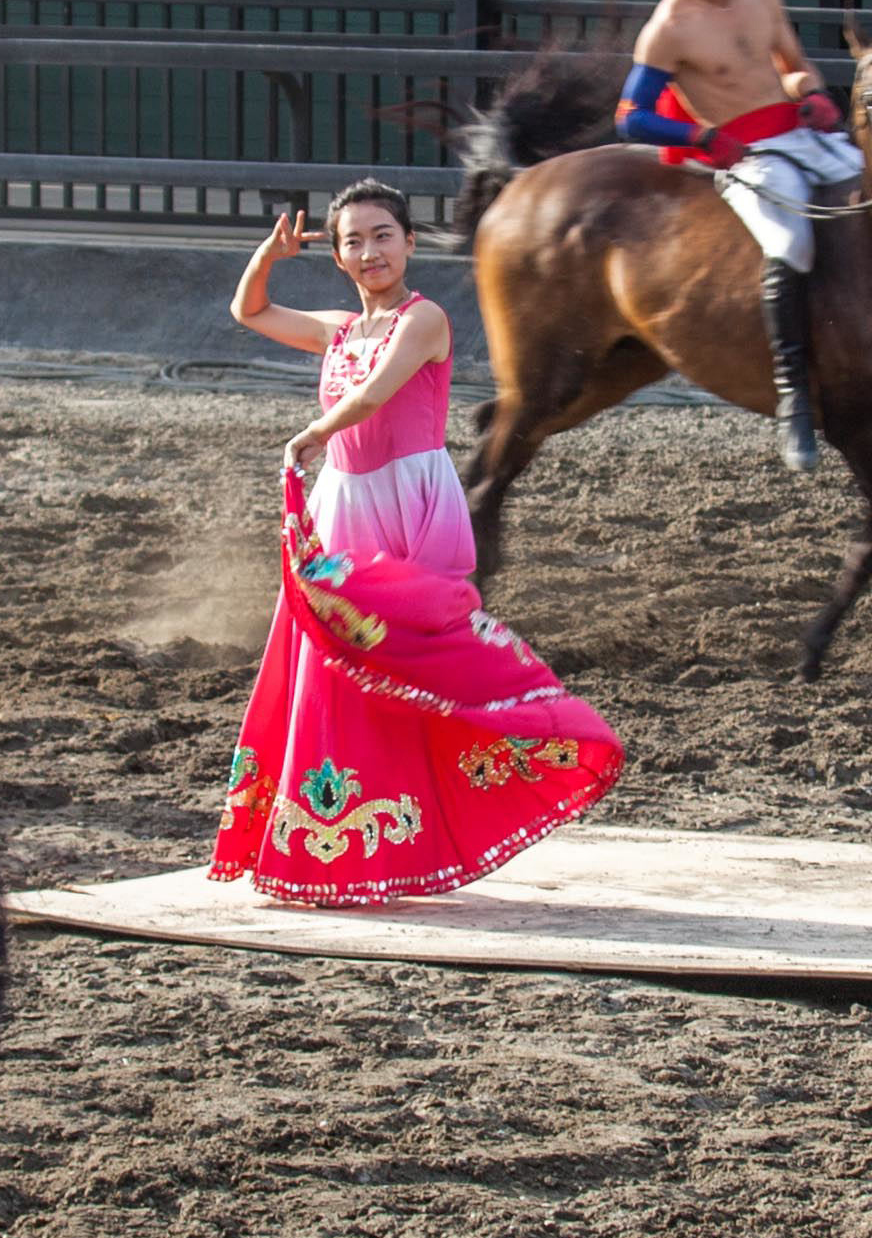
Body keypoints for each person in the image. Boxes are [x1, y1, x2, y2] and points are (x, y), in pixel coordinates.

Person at [207, 181, 621, 905]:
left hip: (410, 501)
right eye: (353, 241)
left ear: (408, 242)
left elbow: (373, 396)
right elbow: (248, 311)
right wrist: (266, 256)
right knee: (340, 660)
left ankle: (534, 741)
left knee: (415, 656)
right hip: (344, 499)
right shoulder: (338, 328)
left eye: (381, 235)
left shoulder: (421, 318)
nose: (369, 251)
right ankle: (348, 844)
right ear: (337, 257)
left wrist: (312, 433)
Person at [611, 0, 860, 472]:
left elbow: (792, 66)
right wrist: (702, 138)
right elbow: (629, 116)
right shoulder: (670, 26)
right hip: (747, 152)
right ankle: (794, 394)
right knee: (791, 241)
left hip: (801, 132)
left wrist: (815, 95)